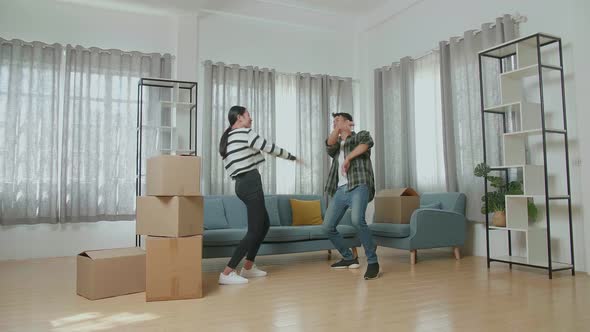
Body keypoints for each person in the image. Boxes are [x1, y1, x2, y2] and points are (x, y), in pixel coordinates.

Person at [217, 105, 298, 285]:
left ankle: (248, 267)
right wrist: (291, 157)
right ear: (239, 117)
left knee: (264, 224)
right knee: (254, 231)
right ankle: (227, 272)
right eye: (248, 115)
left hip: (243, 183)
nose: (250, 119)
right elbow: (269, 147)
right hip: (250, 182)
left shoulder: (229, 136)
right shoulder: (245, 133)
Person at [323, 112, 380, 280]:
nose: (335, 124)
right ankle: (348, 257)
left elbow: (367, 144)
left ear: (349, 122)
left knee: (357, 220)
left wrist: (348, 157)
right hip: (340, 189)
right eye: (333, 122)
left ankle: (373, 262)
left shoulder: (360, 135)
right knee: (327, 227)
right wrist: (337, 128)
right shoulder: (336, 145)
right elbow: (329, 143)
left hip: (359, 184)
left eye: (339, 120)